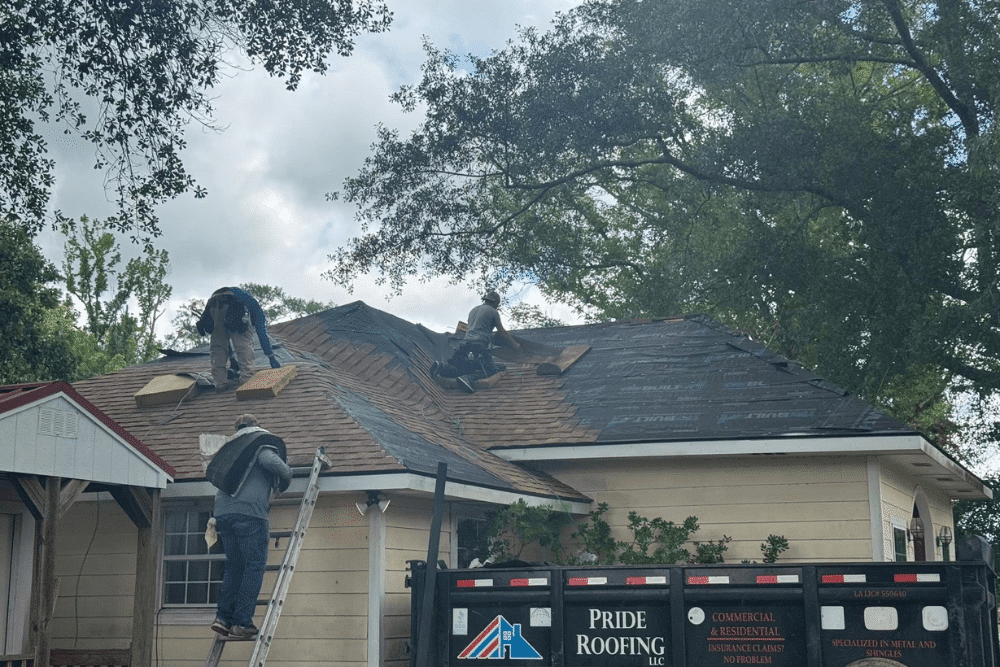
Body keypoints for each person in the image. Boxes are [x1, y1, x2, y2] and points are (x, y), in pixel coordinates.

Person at [211, 414, 292, 640]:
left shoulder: (231, 449)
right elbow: (272, 463)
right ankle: (242, 623)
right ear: (256, 426)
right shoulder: (258, 444)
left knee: (234, 567)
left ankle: (223, 618)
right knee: (253, 567)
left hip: (222, 514)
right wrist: (289, 473)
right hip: (250, 514)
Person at [431, 291, 521, 393]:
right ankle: (468, 379)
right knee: (490, 371)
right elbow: (502, 332)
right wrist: (515, 345)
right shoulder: (493, 312)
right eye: (497, 304)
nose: (497, 306)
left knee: (464, 369)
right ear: (495, 302)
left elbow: (475, 328)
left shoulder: (473, 310)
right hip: (480, 345)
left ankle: (442, 367)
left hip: (464, 344)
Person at [197, 287, 281, 391]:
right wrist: (271, 357)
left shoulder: (245, 298)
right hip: (234, 305)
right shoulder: (255, 307)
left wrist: (232, 359)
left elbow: (225, 335)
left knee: (218, 347)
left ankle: (220, 383)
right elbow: (261, 333)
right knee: (244, 344)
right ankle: (247, 379)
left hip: (213, 303)